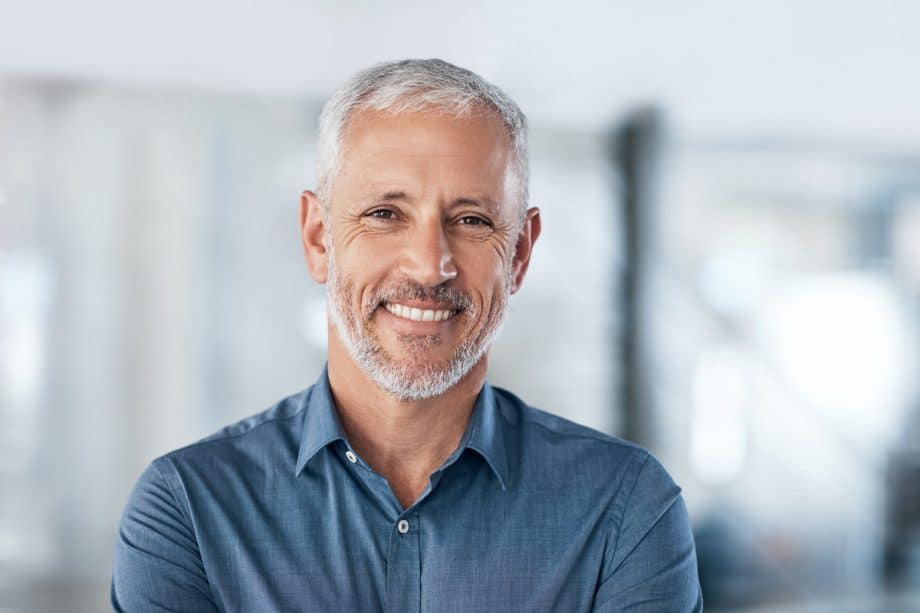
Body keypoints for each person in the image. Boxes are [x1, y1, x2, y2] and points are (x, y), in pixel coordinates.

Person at [111, 58, 703, 612]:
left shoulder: (625, 508)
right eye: (385, 215)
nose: (428, 266)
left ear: (519, 254)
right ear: (318, 238)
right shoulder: (189, 510)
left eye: (471, 220)